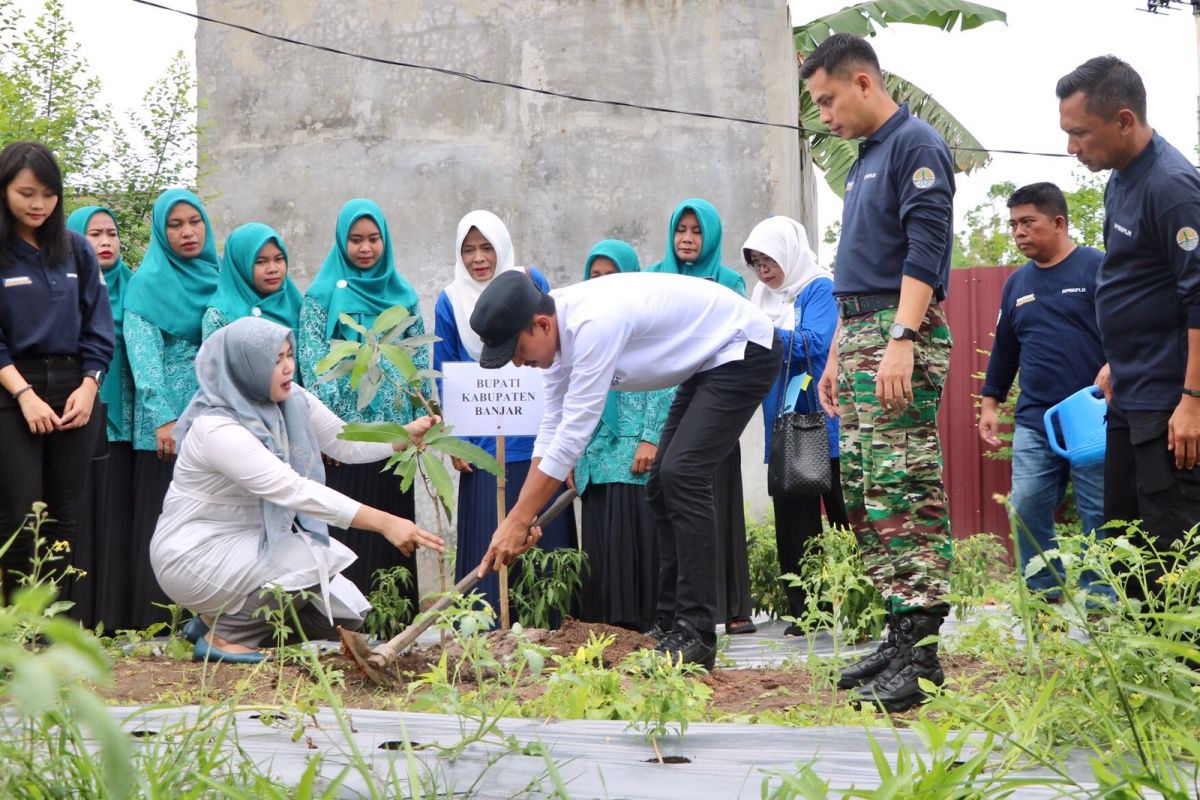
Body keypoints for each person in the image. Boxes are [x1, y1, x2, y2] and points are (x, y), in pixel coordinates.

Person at [472, 270, 781, 669]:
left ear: (542, 324)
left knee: (682, 475)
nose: (517, 363)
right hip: (706, 363)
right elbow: (552, 426)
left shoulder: (593, 324)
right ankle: (672, 623)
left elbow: (574, 431)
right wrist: (521, 513)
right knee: (660, 485)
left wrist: (519, 518)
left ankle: (697, 632)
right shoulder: (557, 338)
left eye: (516, 350)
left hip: (742, 348)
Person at [801, 33, 955, 712]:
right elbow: (858, 267)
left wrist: (902, 337)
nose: (825, 117)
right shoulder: (867, 158)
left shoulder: (916, 144)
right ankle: (900, 632)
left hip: (898, 333)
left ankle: (922, 658)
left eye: (829, 101)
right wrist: (840, 349)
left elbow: (927, 246)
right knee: (864, 492)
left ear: (863, 82)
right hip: (862, 332)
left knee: (903, 489)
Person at [151, 317, 444, 663]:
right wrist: (385, 523)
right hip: (195, 554)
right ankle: (226, 638)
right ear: (246, 366)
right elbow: (292, 489)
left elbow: (343, 440)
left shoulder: (291, 400)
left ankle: (210, 620)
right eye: (275, 360)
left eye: (289, 355)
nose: (288, 367)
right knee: (315, 558)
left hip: (249, 548)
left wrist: (401, 435)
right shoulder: (217, 428)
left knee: (347, 615)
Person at [1056, 56, 1200, 595]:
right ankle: (1139, 673)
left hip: (1170, 405)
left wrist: (1193, 399)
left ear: (1122, 120)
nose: (1072, 147)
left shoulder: (1174, 187)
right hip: (1129, 395)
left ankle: (1182, 674)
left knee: (1172, 555)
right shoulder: (1120, 179)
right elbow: (1142, 283)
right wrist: (1117, 359)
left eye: (1079, 133)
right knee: (1124, 544)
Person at [432, 209, 577, 620]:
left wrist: (565, 444)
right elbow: (445, 370)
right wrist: (455, 441)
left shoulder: (530, 284)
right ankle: (487, 631)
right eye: (468, 250)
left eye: (487, 248)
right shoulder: (449, 299)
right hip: (481, 445)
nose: (479, 259)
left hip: (536, 438)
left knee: (541, 536)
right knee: (488, 534)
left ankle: (552, 627)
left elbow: (558, 362)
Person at [979, 182, 1113, 601]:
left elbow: (1127, 328)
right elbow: (1005, 348)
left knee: (1098, 513)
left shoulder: (1097, 267)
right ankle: (1044, 593)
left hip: (1092, 415)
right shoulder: (1017, 283)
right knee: (1026, 505)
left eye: (1028, 222)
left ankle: (1100, 600)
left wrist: (1117, 365)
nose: (1018, 232)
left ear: (1058, 223)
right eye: (1013, 224)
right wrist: (990, 402)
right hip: (1037, 420)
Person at [298, 199, 429, 609]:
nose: (365, 248)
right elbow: (311, 363)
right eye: (356, 240)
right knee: (347, 524)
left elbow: (417, 360)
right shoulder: (319, 295)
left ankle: (393, 622)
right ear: (342, 242)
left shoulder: (404, 296)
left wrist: (427, 413)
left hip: (395, 437)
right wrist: (326, 432)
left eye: (373, 239)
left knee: (393, 522)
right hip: (342, 440)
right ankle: (347, 621)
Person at [0, 142, 114, 604]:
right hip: (11, 390)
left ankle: (58, 634)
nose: (38, 204)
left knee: (65, 515)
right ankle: (18, 634)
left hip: (74, 387)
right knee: (19, 514)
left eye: (48, 194)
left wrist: (89, 387)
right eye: (26, 192)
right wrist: (25, 395)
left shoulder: (76, 250)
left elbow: (99, 329)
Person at [645, 198, 755, 636]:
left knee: (718, 507)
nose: (687, 239)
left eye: (696, 232)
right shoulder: (654, 279)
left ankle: (725, 608)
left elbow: (741, 345)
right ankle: (674, 614)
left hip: (714, 408)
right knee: (665, 495)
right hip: (669, 404)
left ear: (710, 237)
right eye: (680, 230)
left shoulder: (730, 282)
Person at [743, 216, 848, 637]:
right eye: (755, 262)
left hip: (823, 418)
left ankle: (864, 603)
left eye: (769, 259)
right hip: (783, 421)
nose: (764, 270)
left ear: (789, 252)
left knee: (843, 514)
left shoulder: (817, 288)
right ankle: (805, 610)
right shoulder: (760, 297)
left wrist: (758, 332)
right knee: (793, 521)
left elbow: (814, 343)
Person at [123, 187, 220, 630]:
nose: (187, 232)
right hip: (166, 424)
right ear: (162, 232)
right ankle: (155, 620)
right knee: (161, 517)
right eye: (175, 225)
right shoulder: (147, 283)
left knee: (208, 515)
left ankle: (208, 611)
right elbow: (142, 358)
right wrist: (164, 419)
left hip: (212, 418)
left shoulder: (218, 276)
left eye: (194, 222)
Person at [569, 240, 673, 632]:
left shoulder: (646, 325)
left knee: (638, 537)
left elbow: (665, 381)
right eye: (593, 276)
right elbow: (575, 394)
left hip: (636, 451)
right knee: (603, 544)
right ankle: (605, 630)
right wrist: (573, 453)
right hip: (597, 453)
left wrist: (651, 437)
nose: (600, 284)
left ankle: (647, 625)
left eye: (610, 276)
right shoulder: (582, 330)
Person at [66, 205, 136, 629]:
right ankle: (80, 614)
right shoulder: (65, 287)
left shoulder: (137, 287)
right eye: (95, 234)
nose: (106, 242)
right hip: (79, 413)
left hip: (132, 422)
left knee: (121, 518)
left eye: (111, 233)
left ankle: (118, 614)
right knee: (83, 515)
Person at [203, 222, 302, 340]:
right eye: (260, 261)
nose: (272, 269)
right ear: (240, 265)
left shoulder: (298, 306)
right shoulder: (220, 317)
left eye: (278, 259)